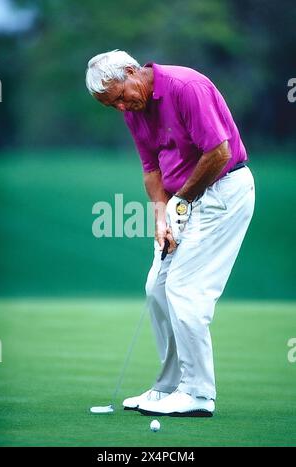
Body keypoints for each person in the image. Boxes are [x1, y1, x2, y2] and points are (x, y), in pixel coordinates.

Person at [85, 50, 255, 417]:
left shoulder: (184, 86)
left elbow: (218, 152)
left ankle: (198, 393)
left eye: (118, 97)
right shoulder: (135, 110)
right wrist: (162, 215)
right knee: (157, 288)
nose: (120, 108)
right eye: (110, 105)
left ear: (132, 71)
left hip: (224, 191)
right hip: (185, 199)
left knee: (185, 289)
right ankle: (169, 388)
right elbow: (151, 171)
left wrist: (180, 203)